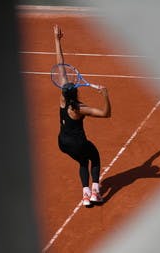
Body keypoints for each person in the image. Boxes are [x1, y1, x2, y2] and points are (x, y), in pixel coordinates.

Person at [53, 24, 112, 206]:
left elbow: (60, 66)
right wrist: (105, 96)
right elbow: (105, 114)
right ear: (75, 92)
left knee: (81, 161)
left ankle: (85, 195)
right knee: (93, 156)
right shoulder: (81, 109)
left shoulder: (63, 100)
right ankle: (95, 192)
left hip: (63, 142)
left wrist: (57, 40)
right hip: (78, 143)